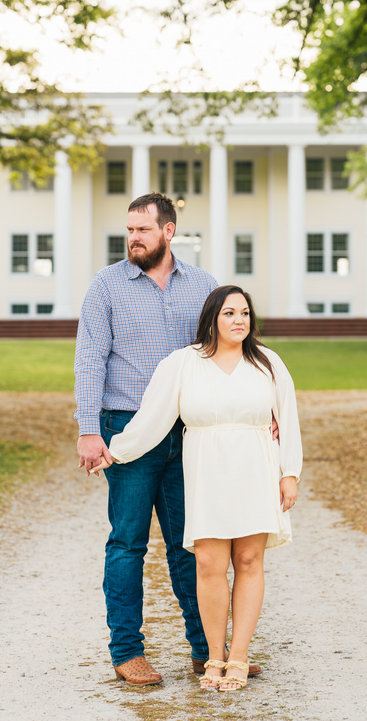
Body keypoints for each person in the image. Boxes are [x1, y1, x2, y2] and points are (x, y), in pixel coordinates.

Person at [91, 285, 303, 692]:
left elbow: (288, 420)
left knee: (248, 560)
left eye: (244, 312)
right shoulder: (183, 363)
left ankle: (238, 657)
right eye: (228, 313)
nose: (238, 320)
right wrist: (115, 451)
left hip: (255, 468)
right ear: (212, 318)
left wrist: (288, 473)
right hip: (205, 471)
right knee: (207, 561)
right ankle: (213, 656)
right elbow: (153, 416)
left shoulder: (268, 363)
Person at [74, 191, 219, 686]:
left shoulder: (203, 286)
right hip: (128, 431)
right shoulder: (107, 286)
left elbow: (227, 354)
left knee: (192, 545)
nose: (132, 238)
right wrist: (89, 430)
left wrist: (264, 410)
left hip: (188, 432)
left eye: (143, 229)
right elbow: (90, 359)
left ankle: (207, 650)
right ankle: (127, 652)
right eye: (129, 229)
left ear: (168, 231)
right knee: (128, 543)